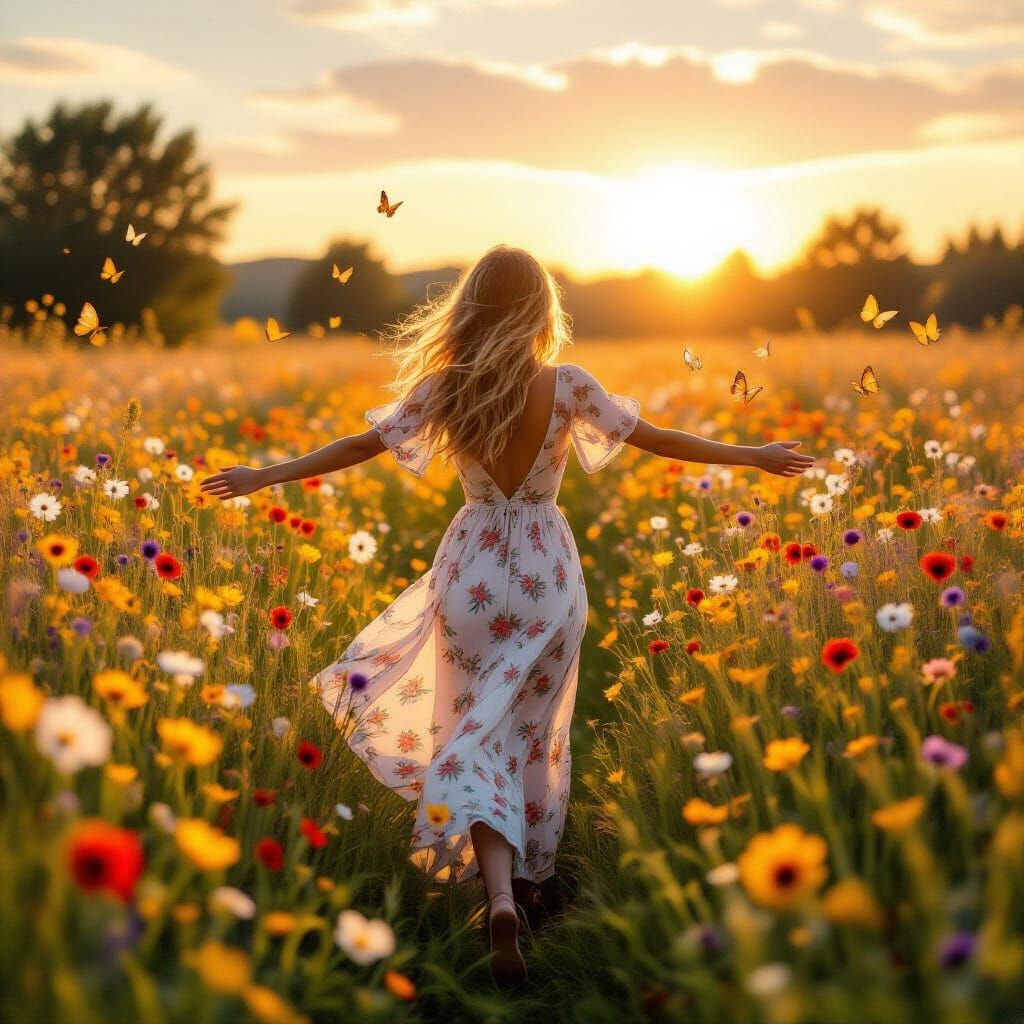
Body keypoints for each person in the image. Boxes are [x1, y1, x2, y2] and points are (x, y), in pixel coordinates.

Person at [200, 245, 813, 985]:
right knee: (526, 731)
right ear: (541, 309)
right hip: (548, 575)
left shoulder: (446, 389)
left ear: (472, 306)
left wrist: (265, 473)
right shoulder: (568, 385)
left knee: (471, 729)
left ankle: (496, 894)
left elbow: (361, 445)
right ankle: (525, 888)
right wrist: (755, 455)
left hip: (474, 573)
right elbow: (662, 442)